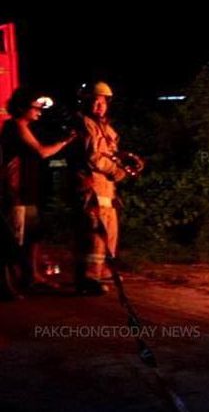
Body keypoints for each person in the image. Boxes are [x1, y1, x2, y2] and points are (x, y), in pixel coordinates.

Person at [0, 89, 77, 294]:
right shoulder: (16, 126)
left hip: (26, 188)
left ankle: (31, 276)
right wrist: (64, 142)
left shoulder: (24, 127)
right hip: (15, 190)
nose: (39, 112)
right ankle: (8, 284)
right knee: (15, 238)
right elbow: (41, 152)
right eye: (35, 107)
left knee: (33, 235)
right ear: (22, 107)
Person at [72, 81, 129, 295]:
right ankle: (89, 278)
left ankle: (101, 271)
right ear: (86, 102)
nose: (99, 106)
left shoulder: (105, 127)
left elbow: (110, 153)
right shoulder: (86, 124)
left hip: (105, 188)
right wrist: (116, 170)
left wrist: (124, 164)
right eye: (95, 102)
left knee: (109, 231)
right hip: (91, 187)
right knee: (95, 233)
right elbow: (93, 157)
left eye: (103, 102)